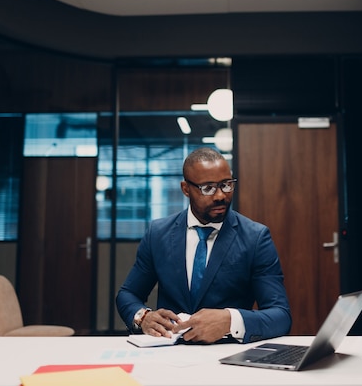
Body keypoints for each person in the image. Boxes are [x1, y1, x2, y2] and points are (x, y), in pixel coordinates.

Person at [116, 147, 292, 344]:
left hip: (227, 353)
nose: (220, 196)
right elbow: (128, 294)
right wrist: (143, 317)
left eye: (226, 185)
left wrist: (230, 320)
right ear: (186, 189)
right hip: (168, 352)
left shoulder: (255, 238)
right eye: (207, 188)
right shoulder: (158, 234)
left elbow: (281, 316)